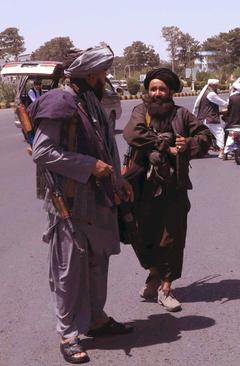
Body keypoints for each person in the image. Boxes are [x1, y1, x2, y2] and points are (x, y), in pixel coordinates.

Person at [30, 45, 134, 364]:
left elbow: (104, 144)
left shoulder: (88, 99)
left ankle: (96, 319)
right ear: (90, 74)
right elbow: (43, 152)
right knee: (68, 268)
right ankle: (69, 333)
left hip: (98, 198)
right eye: (102, 73)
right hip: (70, 200)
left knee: (97, 260)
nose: (105, 77)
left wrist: (117, 178)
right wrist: (90, 166)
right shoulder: (60, 100)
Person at [123, 68, 213, 312]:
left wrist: (187, 144)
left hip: (173, 188)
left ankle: (166, 287)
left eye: (162, 89)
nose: (157, 93)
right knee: (141, 235)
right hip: (142, 187)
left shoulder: (182, 115)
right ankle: (153, 273)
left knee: (171, 238)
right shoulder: (140, 111)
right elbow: (133, 134)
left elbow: (206, 137)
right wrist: (166, 145)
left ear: (171, 91)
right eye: (153, 89)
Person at [194, 79, 227, 153]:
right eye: (216, 86)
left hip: (204, 118)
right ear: (212, 85)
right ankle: (222, 151)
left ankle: (204, 151)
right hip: (210, 118)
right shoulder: (211, 94)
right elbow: (221, 102)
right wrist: (231, 104)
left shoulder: (206, 92)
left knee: (206, 135)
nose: (217, 87)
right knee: (220, 133)